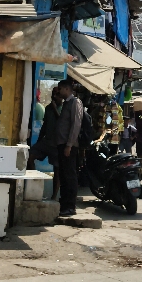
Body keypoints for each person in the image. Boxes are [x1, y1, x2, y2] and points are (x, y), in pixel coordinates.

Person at [55, 78, 84, 217]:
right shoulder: (65, 103)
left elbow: (76, 125)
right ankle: (64, 204)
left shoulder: (75, 102)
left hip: (69, 146)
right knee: (64, 176)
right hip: (62, 145)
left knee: (69, 176)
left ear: (67, 89)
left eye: (60, 89)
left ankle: (70, 206)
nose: (59, 91)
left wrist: (69, 145)